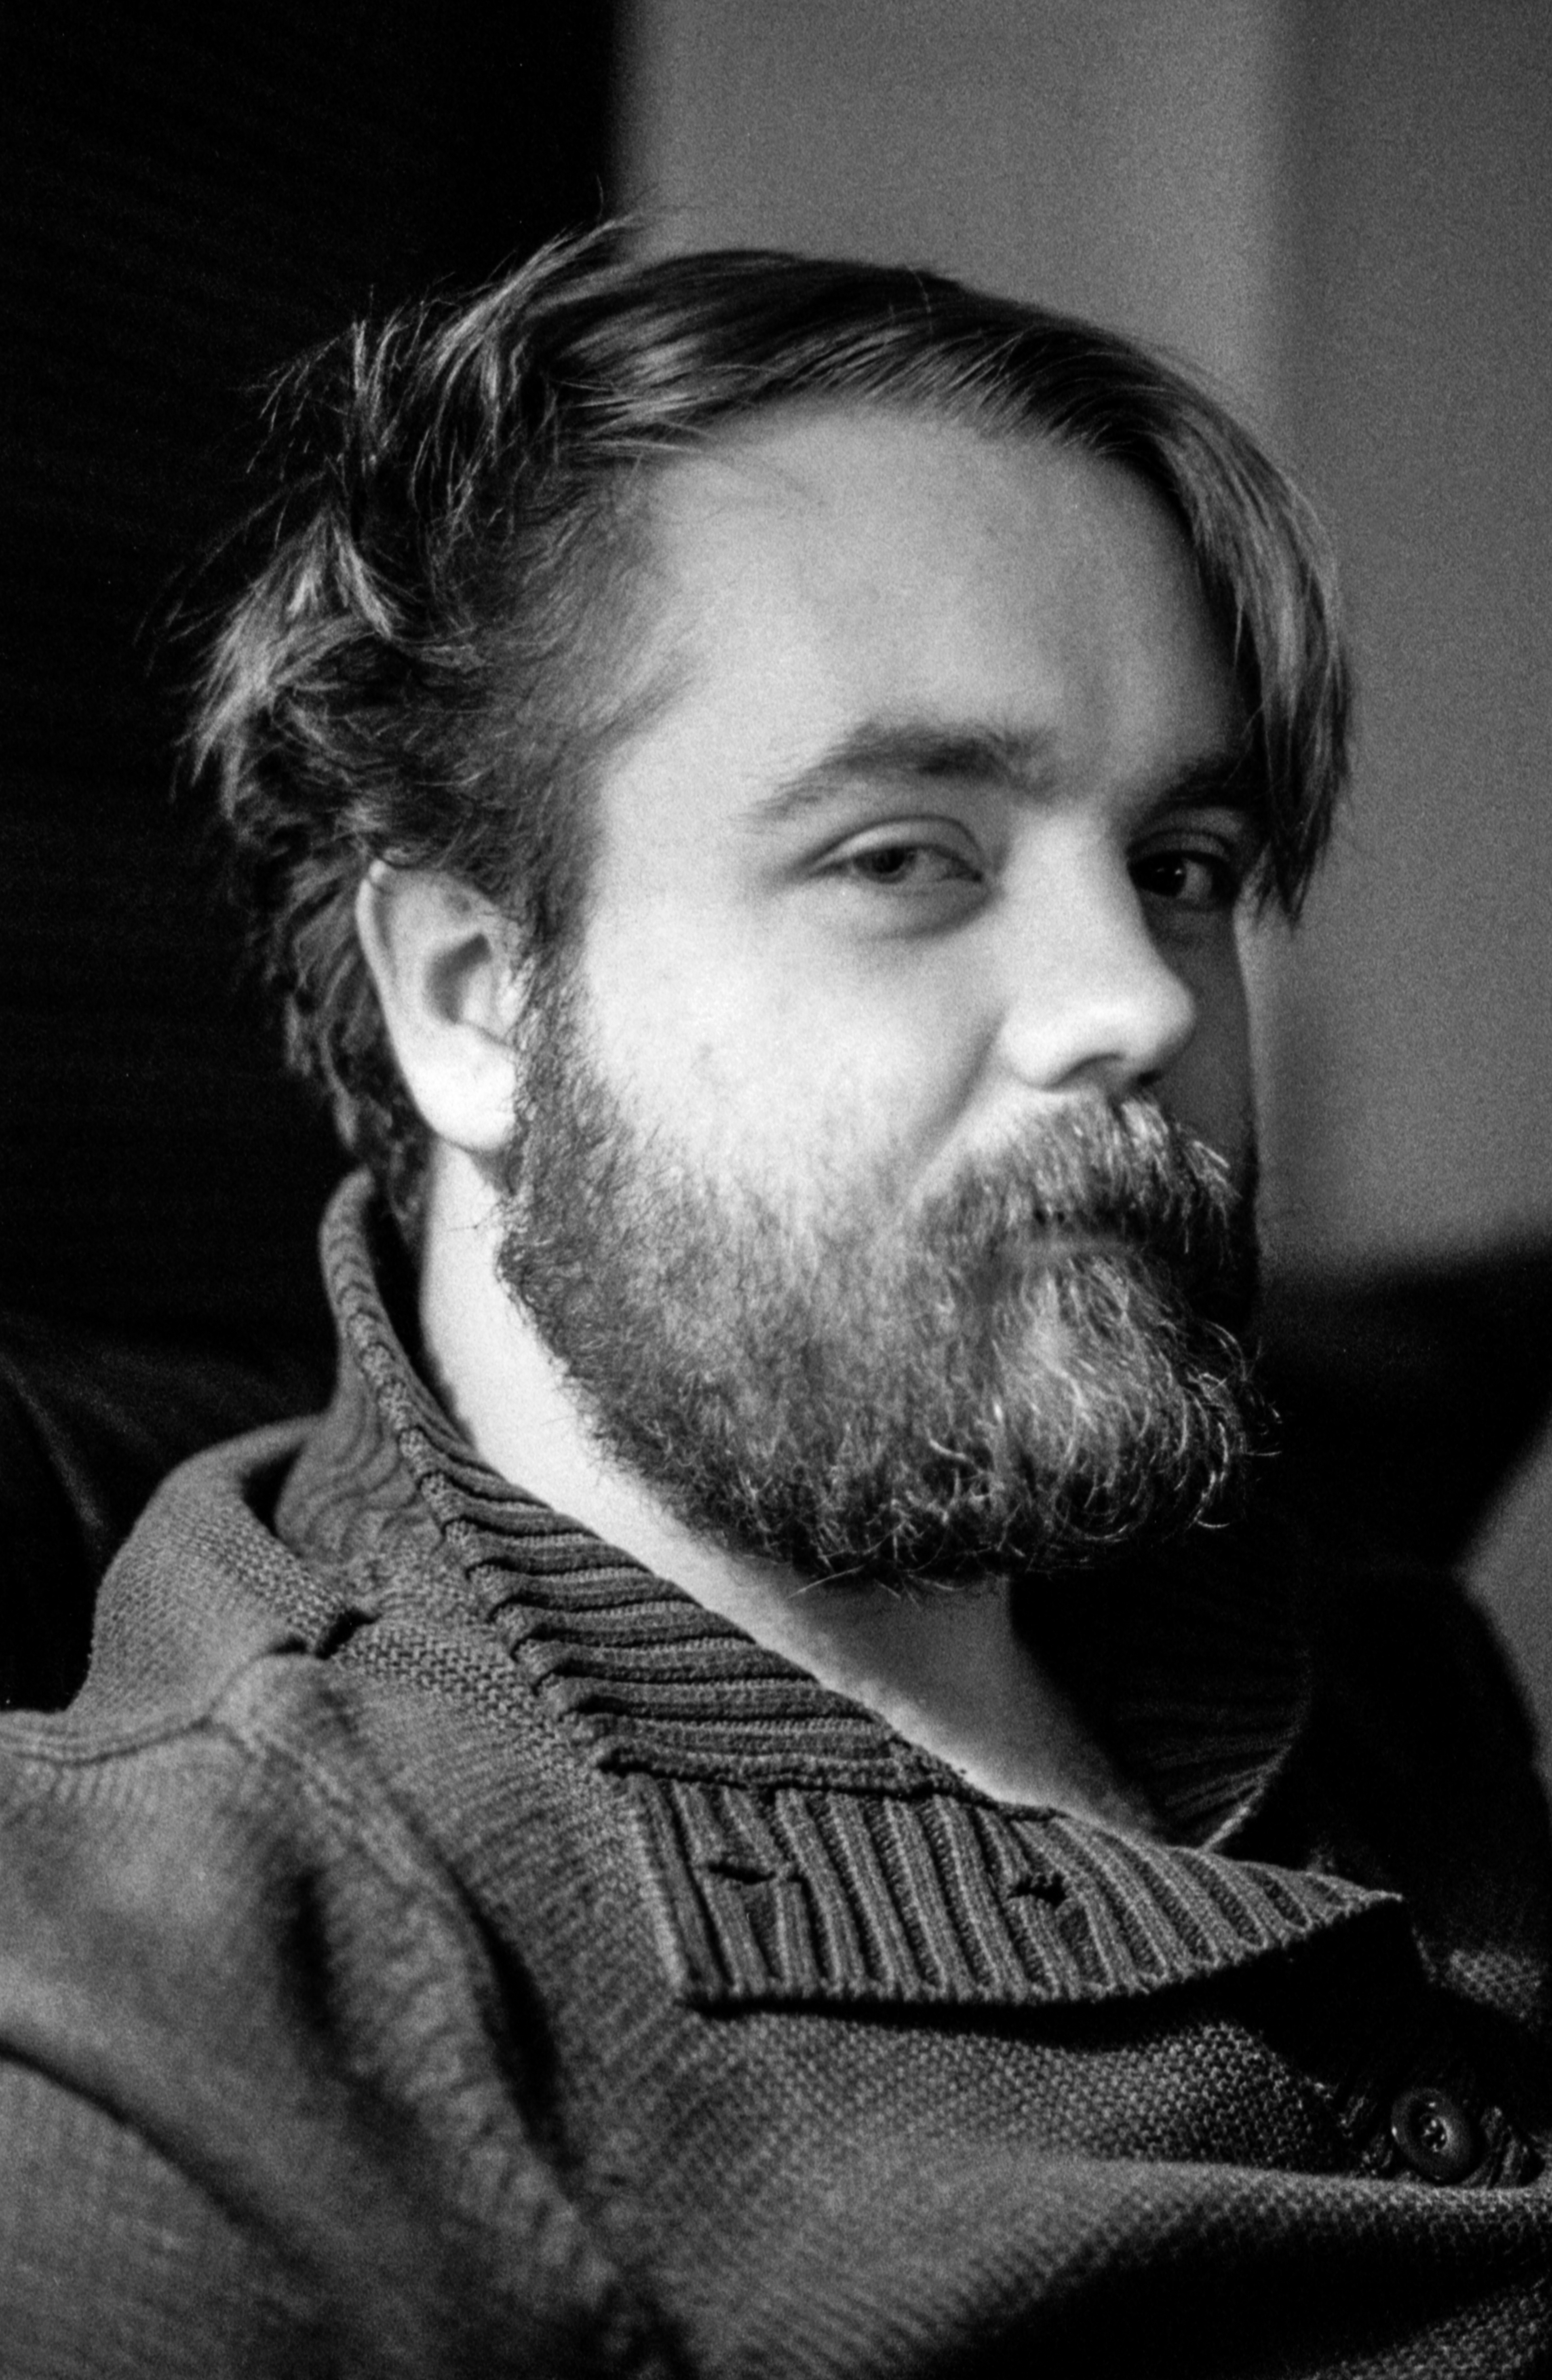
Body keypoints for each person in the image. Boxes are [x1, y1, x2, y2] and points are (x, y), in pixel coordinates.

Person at [1, 232, 1549, 2378]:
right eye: (905, 856)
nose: (1137, 999)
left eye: (1179, 867)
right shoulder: (194, 2047)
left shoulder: (1362, 1641)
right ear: (473, 998)